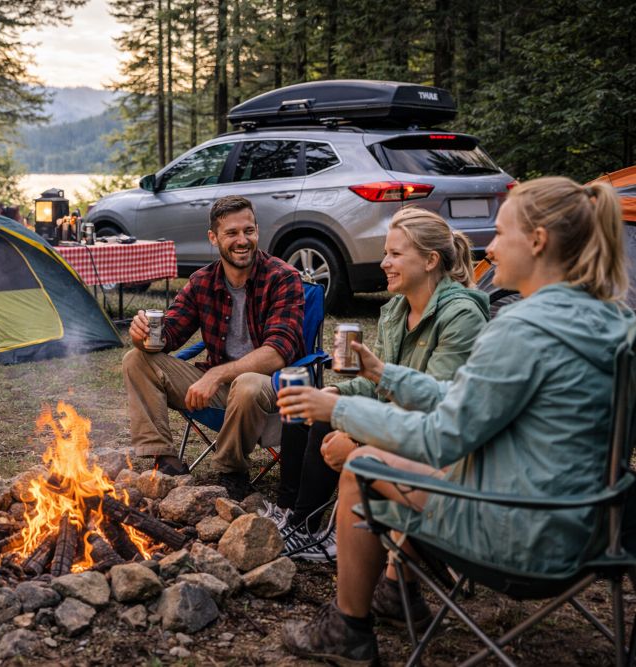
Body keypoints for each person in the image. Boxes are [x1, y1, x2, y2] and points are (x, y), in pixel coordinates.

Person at [277, 176, 635, 665]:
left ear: (537, 241)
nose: (489, 244)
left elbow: (441, 437)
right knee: (388, 456)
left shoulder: (523, 328)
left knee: (362, 466)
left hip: (524, 535)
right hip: (593, 524)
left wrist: (337, 408)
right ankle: (390, 595)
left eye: (503, 231)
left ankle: (349, 630)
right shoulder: (613, 320)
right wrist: (385, 373)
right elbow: (469, 401)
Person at [271, 207, 489, 562]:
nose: (384, 262)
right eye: (386, 252)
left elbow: (435, 405)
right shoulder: (396, 311)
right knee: (313, 402)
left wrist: (356, 434)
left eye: (396, 254)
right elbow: (379, 384)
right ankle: (300, 523)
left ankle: (328, 534)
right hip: (401, 424)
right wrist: (335, 394)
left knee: (333, 417)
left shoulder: (460, 316)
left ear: (431, 260)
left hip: (439, 447)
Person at [124, 195, 306, 499]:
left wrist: (216, 375)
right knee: (136, 359)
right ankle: (166, 461)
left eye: (248, 231)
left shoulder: (283, 277)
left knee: (246, 384)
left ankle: (230, 469)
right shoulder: (202, 282)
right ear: (213, 238)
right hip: (219, 391)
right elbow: (168, 334)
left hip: (271, 389)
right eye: (231, 233)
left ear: (257, 231)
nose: (242, 240)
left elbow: (277, 352)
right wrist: (142, 334)